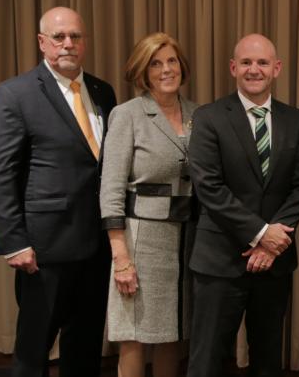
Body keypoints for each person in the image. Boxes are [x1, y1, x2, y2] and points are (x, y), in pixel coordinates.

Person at [0, 7, 116, 376]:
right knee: (33, 348)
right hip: (43, 249)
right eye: (59, 37)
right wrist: (13, 241)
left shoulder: (104, 92)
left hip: (96, 244)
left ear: (85, 42)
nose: (68, 44)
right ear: (42, 43)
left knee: (85, 345)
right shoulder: (15, 93)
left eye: (75, 36)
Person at [186, 34, 299, 377]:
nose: (253, 70)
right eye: (246, 62)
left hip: (276, 262)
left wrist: (273, 244)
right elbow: (209, 188)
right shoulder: (209, 117)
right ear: (233, 68)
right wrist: (260, 234)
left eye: (261, 63)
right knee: (206, 359)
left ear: (277, 68)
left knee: (268, 359)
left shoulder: (296, 120)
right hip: (219, 260)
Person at [99, 32, 198, 377]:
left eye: (172, 61)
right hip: (141, 239)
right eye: (156, 63)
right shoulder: (127, 115)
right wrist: (121, 259)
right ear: (143, 71)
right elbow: (110, 189)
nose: (166, 69)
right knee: (136, 335)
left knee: (173, 332)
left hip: (188, 239)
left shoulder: (198, 115)